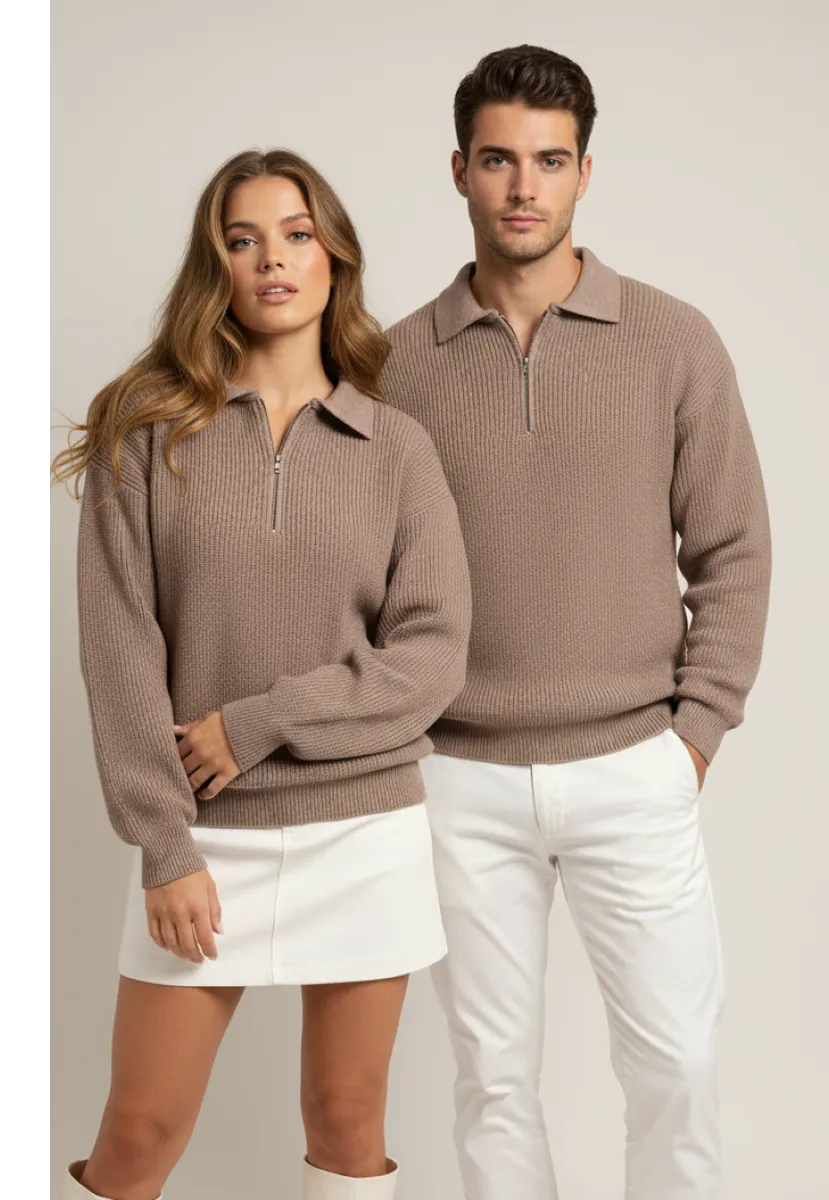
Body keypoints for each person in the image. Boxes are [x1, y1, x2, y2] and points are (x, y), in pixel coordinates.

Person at [381, 45, 772, 1200]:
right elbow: (362, 579)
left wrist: (694, 736)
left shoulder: (674, 340)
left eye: (550, 162)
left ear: (586, 174)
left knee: (676, 1066)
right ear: (459, 169)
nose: (524, 188)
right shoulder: (394, 366)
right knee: (493, 1081)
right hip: (456, 777)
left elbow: (734, 549)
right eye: (499, 160)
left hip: (634, 766)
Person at [52, 148, 472, 1200]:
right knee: (139, 1131)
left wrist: (262, 721)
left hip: (364, 831)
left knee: (347, 1119)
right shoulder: (146, 437)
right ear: (217, 268)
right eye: (243, 240)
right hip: (204, 837)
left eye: (295, 235)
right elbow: (119, 648)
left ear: (335, 260)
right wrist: (163, 845)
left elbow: (431, 657)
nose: (272, 260)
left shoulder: (399, 449)